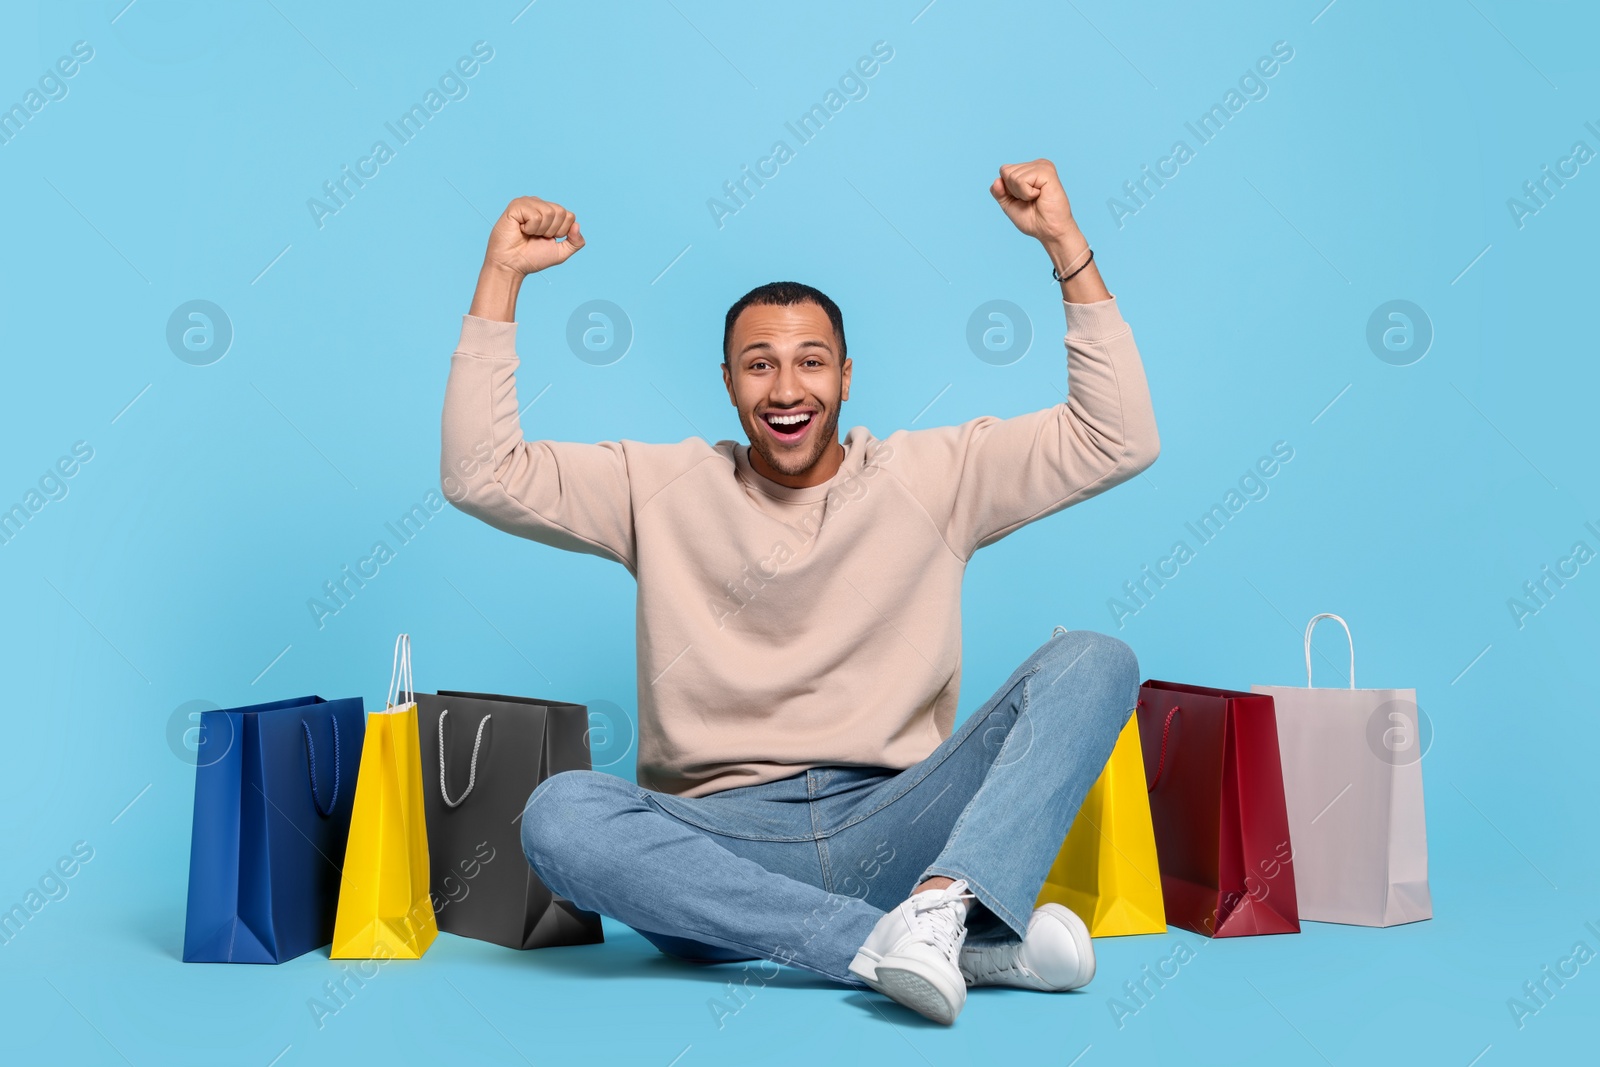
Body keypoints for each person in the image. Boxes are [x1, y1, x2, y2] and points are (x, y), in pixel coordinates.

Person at [439, 158, 1159, 1024]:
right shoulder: (655, 487)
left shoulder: (938, 475)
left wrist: (1065, 247)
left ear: (846, 377)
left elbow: (1118, 438)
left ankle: (932, 911)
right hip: (718, 853)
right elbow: (480, 473)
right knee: (558, 815)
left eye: (811, 362)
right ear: (729, 382)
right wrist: (500, 277)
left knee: (1097, 658)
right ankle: (913, 947)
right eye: (759, 365)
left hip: (896, 821)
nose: (786, 390)